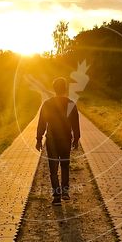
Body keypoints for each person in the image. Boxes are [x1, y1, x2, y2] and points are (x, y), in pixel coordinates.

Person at [35, 77, 80, 205]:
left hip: (52, 140)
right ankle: (65, 192)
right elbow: (75, 123)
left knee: (53, 169)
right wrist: (76, 139)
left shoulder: (47, 104)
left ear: (54, 89)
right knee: (65, 166)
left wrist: (39, 139)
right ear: (65, 89)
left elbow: (41, 123)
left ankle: (56, 197)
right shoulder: (71, 104)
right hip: (65, 139)